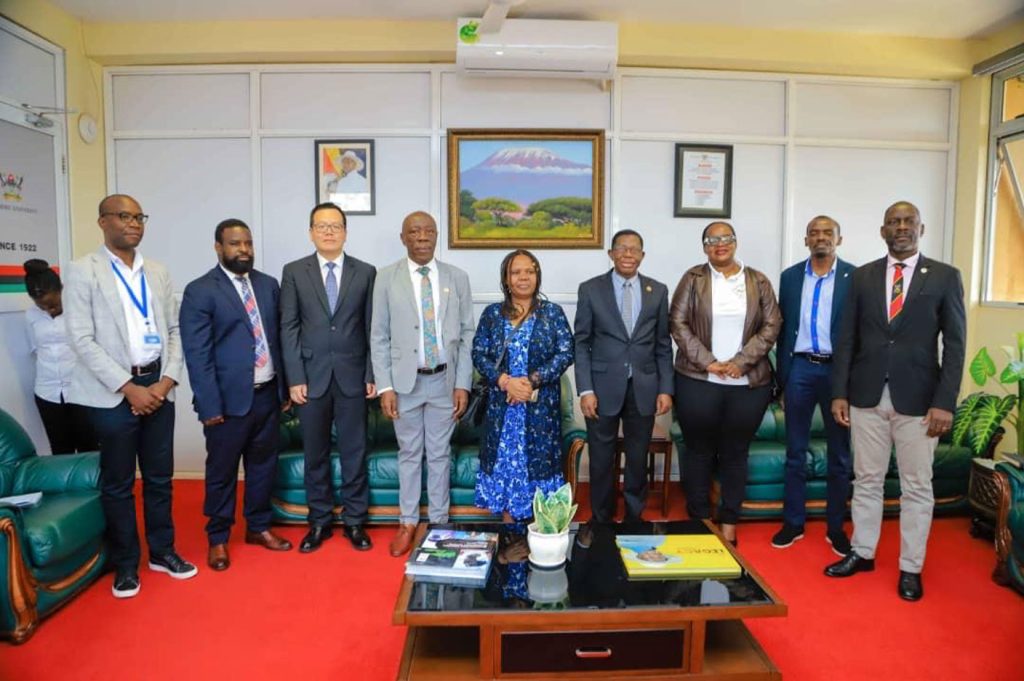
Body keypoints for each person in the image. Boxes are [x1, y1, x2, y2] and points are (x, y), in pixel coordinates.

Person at [826, 201, 966, 602]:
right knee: (866, 480)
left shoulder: (944, 276)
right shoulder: (864, 277)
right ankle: (863, 552)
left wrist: (945, 402)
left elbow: (954, 346)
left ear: (921, 228)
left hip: (921, 401)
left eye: (908, 222)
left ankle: (911, 567)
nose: (901, 227)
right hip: (865, 395)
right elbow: (847, 338)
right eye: (894, 222)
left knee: (917, 487)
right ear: (882, 230)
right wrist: (839, 392)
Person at [63, 194, 197, 598]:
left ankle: (163, 552)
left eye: (139, 217)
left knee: (160, 479)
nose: (134, 223)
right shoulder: (83, 271)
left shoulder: (156, 271)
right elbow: (81, 339)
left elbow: (175, 332)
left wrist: (166, 381)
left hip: (157, 386)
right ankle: (125, 565)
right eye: (124, 216)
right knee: (119, 483)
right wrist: (128, 387)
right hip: (113, 394)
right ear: (103, 222)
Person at [180, 219, 294, 571]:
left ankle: (258, 528)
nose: (243, 249)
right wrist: (210, 405)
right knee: (222, 472)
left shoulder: (267, 285)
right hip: (226, 403)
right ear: (218, 247)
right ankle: (217, 537)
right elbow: (197, 354)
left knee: (263, 468)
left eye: (247, 243)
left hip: (267, 396)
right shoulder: (200, 290)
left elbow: (278, 339)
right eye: (234, 243)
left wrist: (285, 387)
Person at [370, 211, 475, 557]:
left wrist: (463, 384)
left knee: (441, 454)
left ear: (437, 236)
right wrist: (385, 387)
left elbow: (466, 334)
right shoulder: (386, 278)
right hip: (405, 384)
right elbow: (379, 337)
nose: (422, 237)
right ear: (403, 238)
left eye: (429, 231)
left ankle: (440, 524)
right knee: (410, 454)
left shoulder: (456, 278)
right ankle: (407, 523)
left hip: (444, 380)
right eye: (414, 232)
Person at [669, 222, 781, 545]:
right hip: (698, 380)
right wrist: (709, 362)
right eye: (712, 240)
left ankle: (729, 521)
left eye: (726, 238)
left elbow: (772, 325)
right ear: (704, 247)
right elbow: (677, 322)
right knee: (699, 452)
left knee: (735, 453)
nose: (720, 244)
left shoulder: (758, 281)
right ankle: (701, 519)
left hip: (748, 385)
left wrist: (740, 362)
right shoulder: (692, 279)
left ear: (735, 242)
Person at [280, 202, 377, 553]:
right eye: (321, 226)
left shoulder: (365, 272)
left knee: (355, 452)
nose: (329, 231)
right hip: (310, 377)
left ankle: (355, 522)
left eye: (335, 225)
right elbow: (288, 327)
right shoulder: (294, 271)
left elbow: (371, 328)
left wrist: (371, 374)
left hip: (353, 377)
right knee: (315, 453)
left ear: (346, 232)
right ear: (311, 232)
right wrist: (294, 377)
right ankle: (319, 521)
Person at [574, 229, 673, 522]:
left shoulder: (658, 291)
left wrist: (665, 388)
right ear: (611, 254)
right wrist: (585, 390)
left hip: (644, 386)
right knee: (602, 460)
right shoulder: (591, 289)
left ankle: (633, 518)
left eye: (634, 250)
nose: (628, 254)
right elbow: (582, 342)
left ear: (642, 255)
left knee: (637, 458)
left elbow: (663, 344)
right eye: (622, 248)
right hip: (602, 388)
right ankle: (602, 519)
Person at [771, 216, 856, 554]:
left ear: (839, 238)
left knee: (839, 455)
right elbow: (783, 327)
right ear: (806, 240)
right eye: (814, 233)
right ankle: (793, 523)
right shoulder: (790, 277)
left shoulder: (856, 277)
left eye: (828, 233)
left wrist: (850, 384)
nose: (821, 238)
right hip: (801, 370)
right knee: (795, 452)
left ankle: (836, 527)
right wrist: (783, 379)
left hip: (838, 373)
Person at [472, 249, 574, 522]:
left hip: (539, 408)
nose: (523, 277)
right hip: (502, 409)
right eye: (516, 272)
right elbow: (478, 354)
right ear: (506, 279)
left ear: (537, 276)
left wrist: (531, 382)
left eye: (529, 271)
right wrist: (505, 381)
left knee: (539, 472)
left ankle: (538, 541)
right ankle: (508, 540)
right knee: (505, 471)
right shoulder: (492, 314)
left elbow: (566, 352)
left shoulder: (552, 313)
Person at [22, 259, 97, 454]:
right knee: (60, 448)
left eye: (53, 305)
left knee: (88, 447)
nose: (49, 310)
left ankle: (90, 485)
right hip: (47, 392)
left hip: (81, 389)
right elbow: (36, 349)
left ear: (61, 289)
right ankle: (63, 486)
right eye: (42, 307)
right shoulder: (30, 316)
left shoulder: (81, 311)